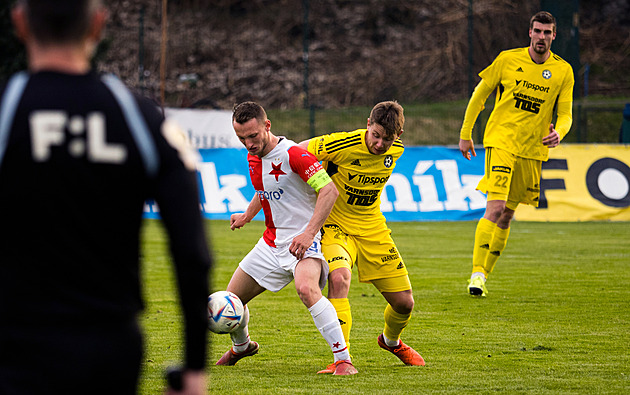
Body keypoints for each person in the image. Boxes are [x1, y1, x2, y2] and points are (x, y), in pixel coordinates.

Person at [0, 1, 211, 394]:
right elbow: (191, 250)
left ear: (19, 23)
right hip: (107, 348)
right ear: (98, 25)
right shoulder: (139, 117)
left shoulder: (7, 112)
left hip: (15, 343)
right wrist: (195, 365)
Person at [215, 101, 357, 376]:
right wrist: (247, 215)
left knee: (306, 289)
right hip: (270, 244)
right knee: (231, 300)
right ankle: (242, 346)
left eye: (253, 136)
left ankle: (343, 360)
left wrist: (308, 233)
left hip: (304, 242)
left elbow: (329, 191)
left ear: (267, 126)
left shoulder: (294, 155)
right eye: (241, 138)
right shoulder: (253, 155)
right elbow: (264, 188)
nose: (248, 143)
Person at [300, 101, 425, 369]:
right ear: (368, 124)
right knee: (339, 277)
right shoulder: (341, 144)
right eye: (375, 135)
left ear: (398, 137)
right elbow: (297, 151)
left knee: (404, 303)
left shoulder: (397, 152)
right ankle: (341, 359)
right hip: (335, 228)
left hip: (373, 229)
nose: (379, 144)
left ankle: (391, 341)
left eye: (387, 139)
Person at [458, 11, 574, 296]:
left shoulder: (563, 71)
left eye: (547, 32)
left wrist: (560, 132)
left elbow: (566, 114)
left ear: (554, 36)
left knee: (508, 215)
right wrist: (465, 132)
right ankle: (475, 274)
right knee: (495, 208)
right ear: (530, 32)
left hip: (532, 150)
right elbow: (480, 94)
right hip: (501, 141)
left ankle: (484, 275)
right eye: (537, 31)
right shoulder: (508, 59)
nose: (542, 37)